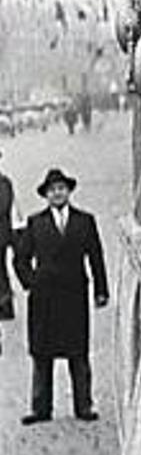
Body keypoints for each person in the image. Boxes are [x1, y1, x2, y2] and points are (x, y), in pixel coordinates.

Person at [14, 168, 108, 424]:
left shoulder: (84, 221)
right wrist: (31, 283)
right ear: (46, 195)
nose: (57, 193)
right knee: (42, 354)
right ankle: (40, 409)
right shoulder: (35, 223)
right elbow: (20, 259)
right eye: (53, 190)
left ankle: (84, 406)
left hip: (74, 295)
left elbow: (96, 257)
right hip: (44, 299)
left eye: (61, 188)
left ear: (69, 192)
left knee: (78, 353)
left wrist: (101, 290)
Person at [0, 149, 15, 322]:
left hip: (1, 236)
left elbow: (3, 207)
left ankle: (6, 307)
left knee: (1, 271)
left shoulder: (3, 183)